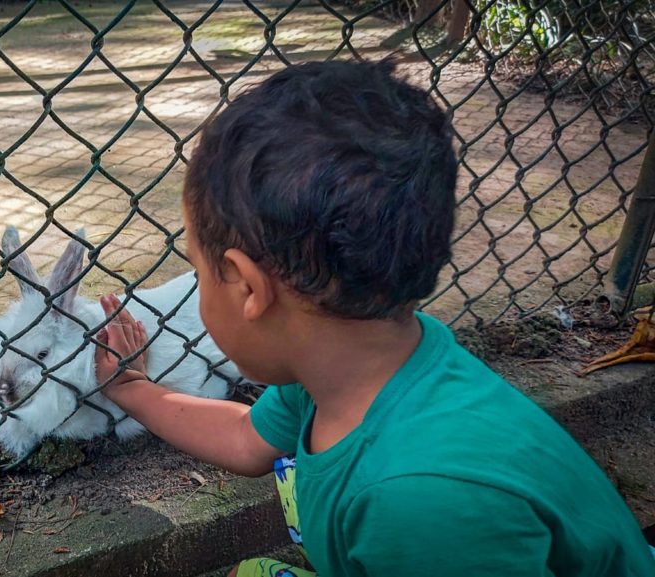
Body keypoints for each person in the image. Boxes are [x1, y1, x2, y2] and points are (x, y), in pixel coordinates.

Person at [92, 59, 655, 577]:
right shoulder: (353, 364)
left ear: (245, 287)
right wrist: (133, 388)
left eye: (196, 269)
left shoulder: (417, 503)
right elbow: (246, 440)